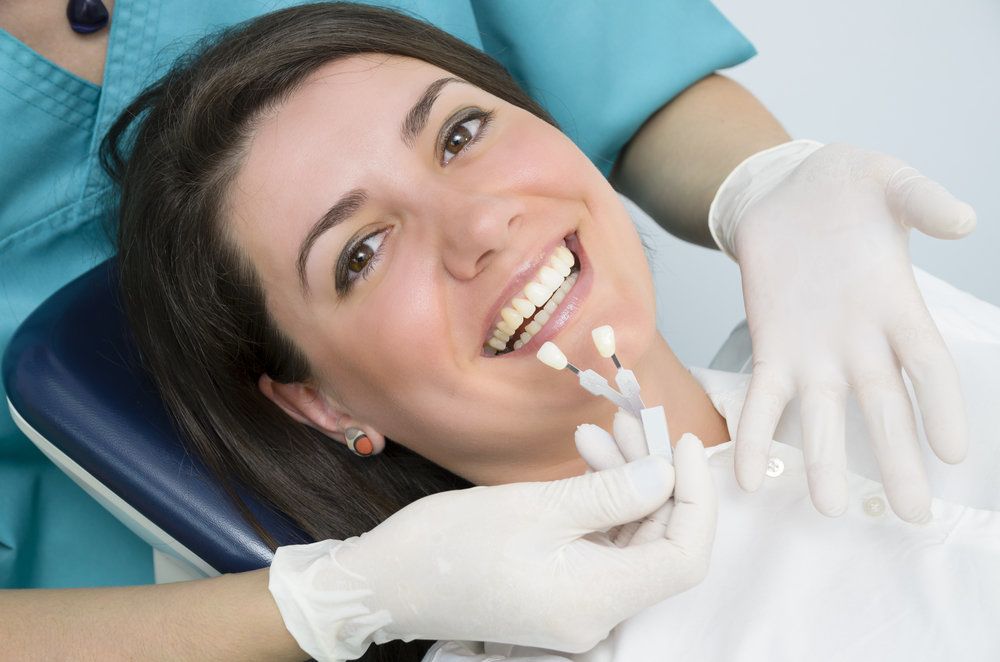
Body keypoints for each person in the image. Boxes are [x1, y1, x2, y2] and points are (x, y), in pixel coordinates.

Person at [104, 4, 994, 661]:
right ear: (321, 403)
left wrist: (776, 175)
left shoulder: (889, 314)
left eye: (460, 134)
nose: (480, 224)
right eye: (363, 252)